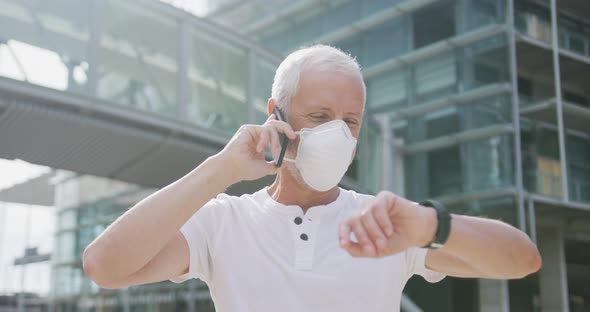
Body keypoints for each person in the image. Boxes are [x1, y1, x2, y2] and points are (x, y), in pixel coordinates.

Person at [83, 45, 542, 311]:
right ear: (276, 116)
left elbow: (521, 261)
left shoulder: (384, 224)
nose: (337, 135)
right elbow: (104, 266)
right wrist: (223, 167)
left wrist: (430, 225)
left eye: (351, 122)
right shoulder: (223, 222)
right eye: (320, 116)